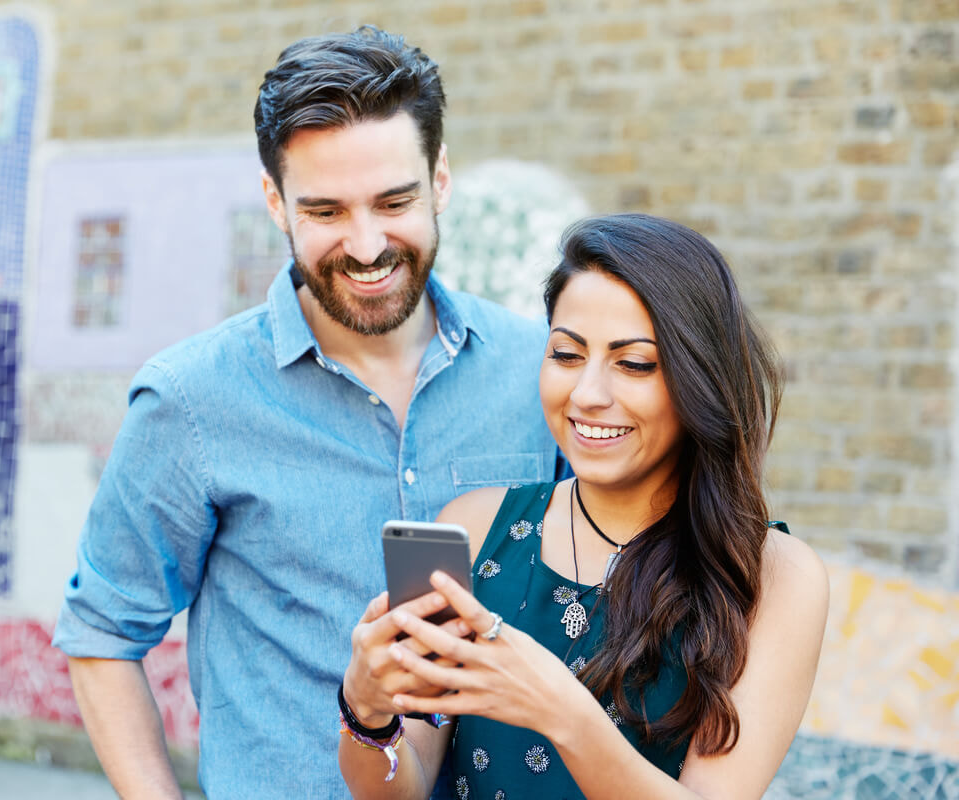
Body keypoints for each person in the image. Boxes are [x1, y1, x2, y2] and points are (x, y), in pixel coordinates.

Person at [51, 26, 565, 798]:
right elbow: (101, 634)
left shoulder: (540, 373)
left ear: (440, 181)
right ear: (275, 202)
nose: (366, 245)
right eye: (325, 211)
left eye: (394, 202)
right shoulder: (191, 400)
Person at [339, 213, 830, 799]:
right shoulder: (472, 526)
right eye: (567, 354)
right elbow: (400, 789)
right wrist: (366, 712)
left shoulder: (773, 575)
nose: (587, 394)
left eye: (634, 363)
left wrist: (560, 710)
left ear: (701, 378)